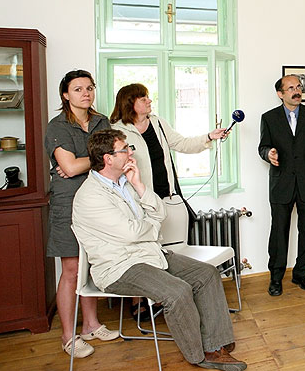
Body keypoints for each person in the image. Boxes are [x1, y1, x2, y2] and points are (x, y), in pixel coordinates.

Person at [71, 129, 246, 371]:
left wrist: (140, 185)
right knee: (177, 292)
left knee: (206, 274)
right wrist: (151, 226)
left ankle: (217, 343)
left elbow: (159, 214)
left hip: (150, 254)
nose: (131, 153)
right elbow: (132, 232)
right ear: (108, 158)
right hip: (119, 267)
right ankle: (199, 355)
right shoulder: (89, 196)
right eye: (125, 149)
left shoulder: (127, 183)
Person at [109, 83, 227, 320]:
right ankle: (139, 299)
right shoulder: (118, 131)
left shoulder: (158, 122)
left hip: (165, 194)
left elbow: (181, 143)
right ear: (130, 103)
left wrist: (208, 137)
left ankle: (168, 295)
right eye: (144, 98)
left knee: (164, 248)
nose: (149, 101)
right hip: (135, 198)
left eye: (148, 98)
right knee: (141, 247)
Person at [44, 70, 117, 358]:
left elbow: (106, 161)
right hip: (68, 203)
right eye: (78, 89)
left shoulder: (101, 122)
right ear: (66, 94)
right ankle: (67, 335)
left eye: (89, 88)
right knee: (72, 270)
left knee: (93, 265)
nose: (85, 93)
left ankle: (91, 324)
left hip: (99, 201)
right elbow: (72, 168)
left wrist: (81, 163)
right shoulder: (57, 126)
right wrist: (94, 160)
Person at [258, 75, 305, 296]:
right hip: (281, 183)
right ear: (280, 94)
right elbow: (262, 146)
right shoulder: (268, 118)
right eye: (290, 88)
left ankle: (301, 274)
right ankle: (276, 278)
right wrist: (268, 153)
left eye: (298, 87)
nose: (296, 91)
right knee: (279, 232)